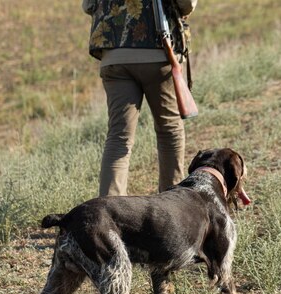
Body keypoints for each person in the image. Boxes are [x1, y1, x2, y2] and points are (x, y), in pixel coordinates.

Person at [82, 0, 197, 196]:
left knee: (119, 138)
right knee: (169, 132)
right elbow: (186, 4)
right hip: (159, 52)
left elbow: (89, 6)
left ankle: (110, 211)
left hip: (114, 56)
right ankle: (172, 204)